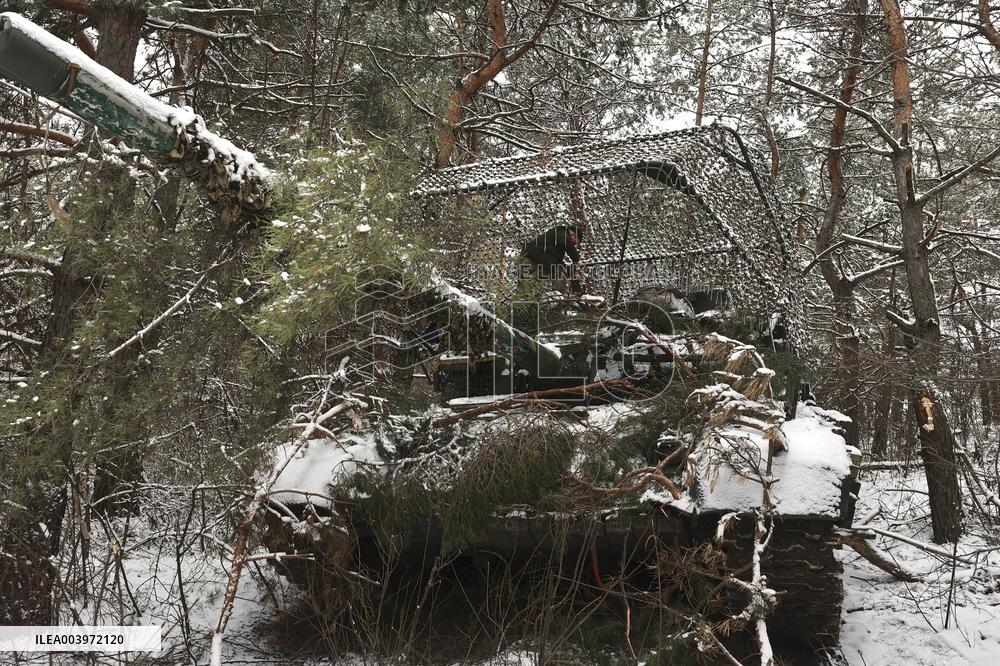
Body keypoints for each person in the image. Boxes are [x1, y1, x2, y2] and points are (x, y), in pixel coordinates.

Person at [520, 224, 584, 292]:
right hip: (531, 258)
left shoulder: (555, 249)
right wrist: (576, 259)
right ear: (573, 235)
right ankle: (558, 296)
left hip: (537, 261)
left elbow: (556, 263)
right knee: (560, 269)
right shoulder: (560, 232)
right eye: (574, 242)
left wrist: (573, 273)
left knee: (529, 288)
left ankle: (559, 295)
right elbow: (565, 242)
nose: (573, 245)